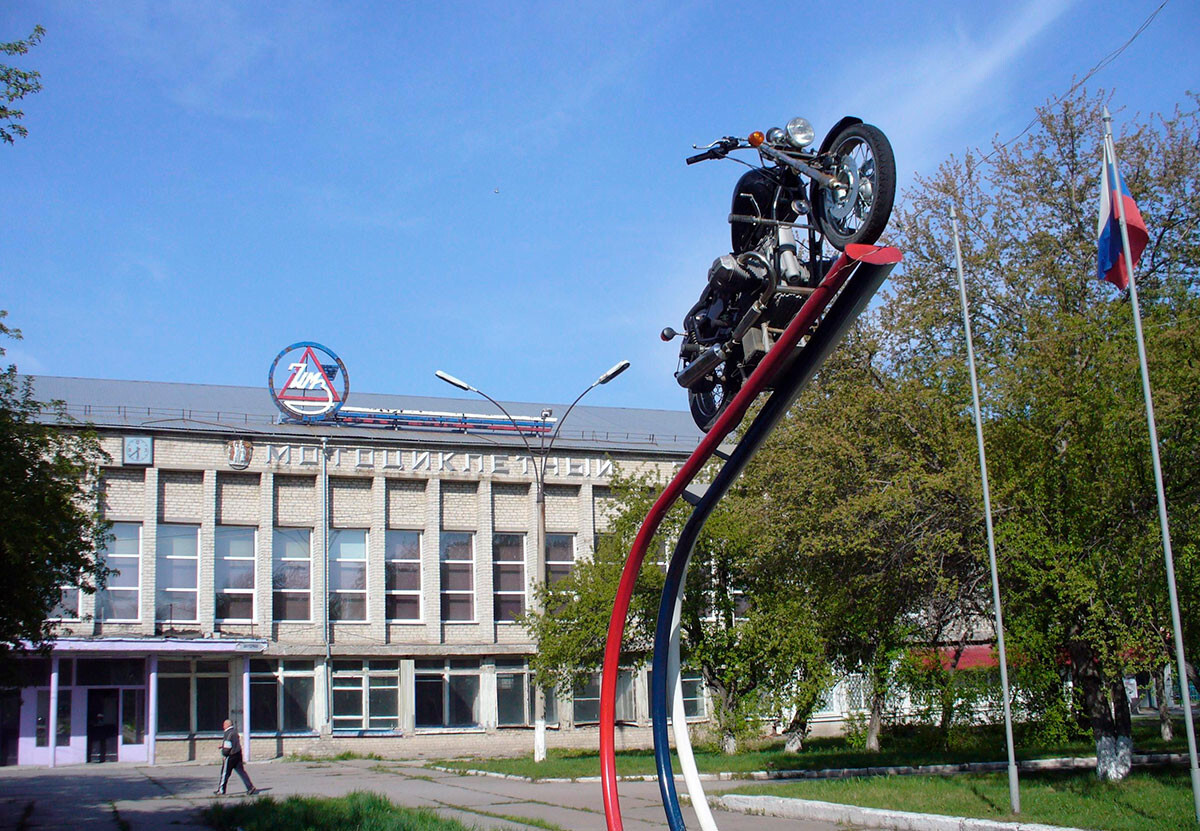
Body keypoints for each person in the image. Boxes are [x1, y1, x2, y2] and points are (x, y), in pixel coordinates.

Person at [214, 718, 258, 795]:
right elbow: (233, 743)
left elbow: (228, 747)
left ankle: (221, 790)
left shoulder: (228, 733)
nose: (223, 726)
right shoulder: (235, 732)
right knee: (242, 772)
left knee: (225, 773)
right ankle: (250, 787)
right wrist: (222, 746)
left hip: (230, 756)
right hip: (238, 755)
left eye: (224, 724)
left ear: (227, 725)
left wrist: (224, 754)